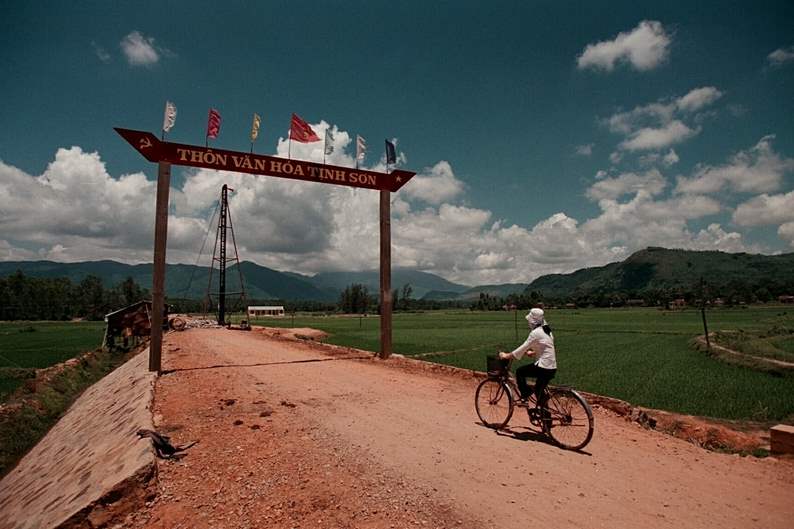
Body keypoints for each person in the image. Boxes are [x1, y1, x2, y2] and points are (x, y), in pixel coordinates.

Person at [499, 308, 556, 409]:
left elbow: (522, 348)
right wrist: (534, 352)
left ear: (532, 320)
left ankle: (525, 396)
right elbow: (546, 347)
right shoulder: (547, 330)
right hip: (551, 366)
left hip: (544, 367)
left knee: (520, 372)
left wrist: (506, 355)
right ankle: (546, 420)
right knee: (539, 391)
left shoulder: (535, 333)